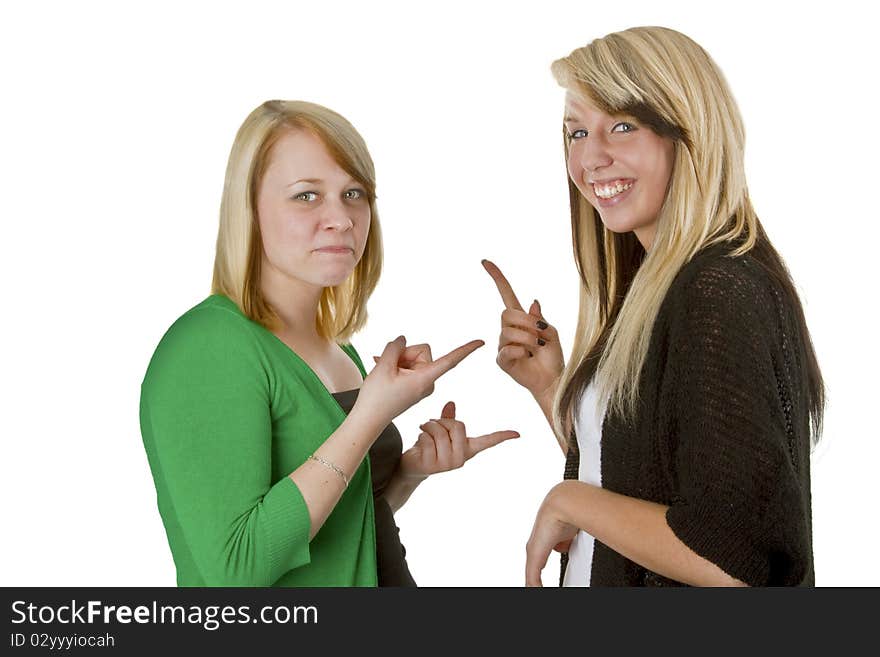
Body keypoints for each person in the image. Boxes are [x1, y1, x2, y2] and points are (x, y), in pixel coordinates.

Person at [483, 26, 824, 586]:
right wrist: (551, 387)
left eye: (622, 126)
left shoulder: (717, 290)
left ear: (687, 134)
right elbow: (649, 479)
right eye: (575, 132)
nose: (591, 158)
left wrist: (569, 501)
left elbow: (731, 562)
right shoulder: (653, 285)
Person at [140, 100, 518, 587]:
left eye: (353, 193)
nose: (341, 218)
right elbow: (236, 569)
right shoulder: (208, 347)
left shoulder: (342, 352)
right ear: (249, 209)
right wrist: (369, 416)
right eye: (306, 196)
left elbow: (333, 527)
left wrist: (407, 474)